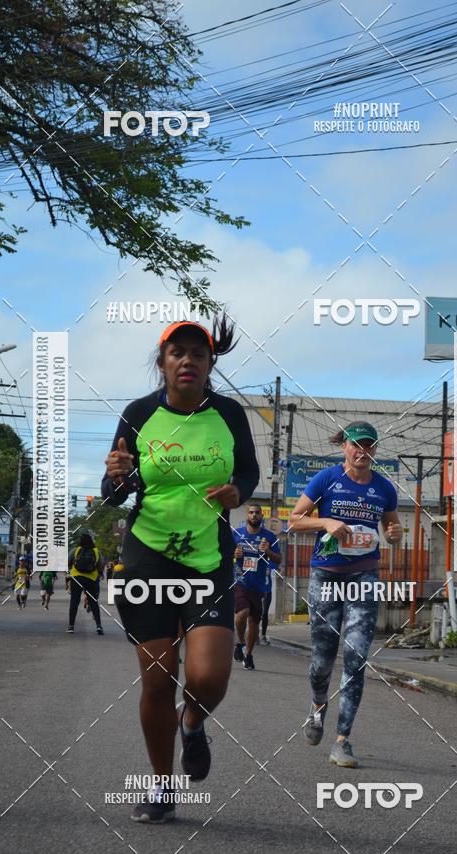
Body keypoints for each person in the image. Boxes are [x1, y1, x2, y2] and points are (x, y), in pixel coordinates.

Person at [102, 315, 259, 823]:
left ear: (210, 364)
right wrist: (117, 478)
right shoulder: (138, 414)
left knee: (208, 677)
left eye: (198, 352)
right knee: (157, 680)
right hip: (148, 558)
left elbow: (249, 471)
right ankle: (162, 785)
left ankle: (192, 722)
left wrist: (240, 492)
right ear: (163, 363)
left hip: (208, 560)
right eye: (177, 352)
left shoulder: (230, 414)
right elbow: (115, 495)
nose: (187, 359)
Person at [288, 421, 403, 768]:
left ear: (375, 450)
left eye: (369, 446)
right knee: (322, 661)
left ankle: (342, 741)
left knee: (355, 658)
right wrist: (325, 523)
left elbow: (392, 530)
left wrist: (395, 534)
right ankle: (318, 706)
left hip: (364, 577)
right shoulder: (326, 479)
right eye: (356, 445)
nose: (362, 452)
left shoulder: (384, 489)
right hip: (326, 577)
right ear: (345, 447)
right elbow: (294, 520)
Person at [233, 505, 281, 668]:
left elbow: (278, 559)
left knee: (254, 622)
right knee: (242, 613)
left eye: (257, 513)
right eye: (251, 512)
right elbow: (223, 555)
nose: (254, 515)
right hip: (240, 582)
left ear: (262, 516)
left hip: (259, 585)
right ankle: (240, 642)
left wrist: (268, 551)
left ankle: (249, 655)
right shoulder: (237, 534)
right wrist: (234, 555)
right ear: (247, 515)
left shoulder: (269, 537)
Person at [67, 534, 104, 634]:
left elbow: (68, 562)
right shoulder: (96, 551)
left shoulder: (76, 550)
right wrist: (100, 574)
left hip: (77, 578)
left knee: (74, 602)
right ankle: (98, 626)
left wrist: (70, 570)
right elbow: (100, 565)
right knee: (93, 602)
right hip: (91, 579)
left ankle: (71, 626)